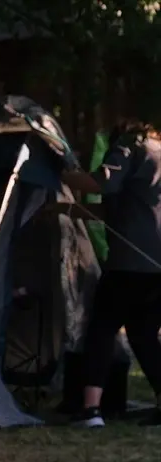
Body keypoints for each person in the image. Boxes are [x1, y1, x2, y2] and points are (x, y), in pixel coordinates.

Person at [61, 119, 161, 427]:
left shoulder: (131, 145)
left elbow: (100, 184)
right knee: (144, 334)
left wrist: (60, 174)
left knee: (101, 329)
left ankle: (91, 410)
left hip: (129, 263)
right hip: (156, 264)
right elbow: (122, 210)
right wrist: (65, 210)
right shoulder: (158, 152)